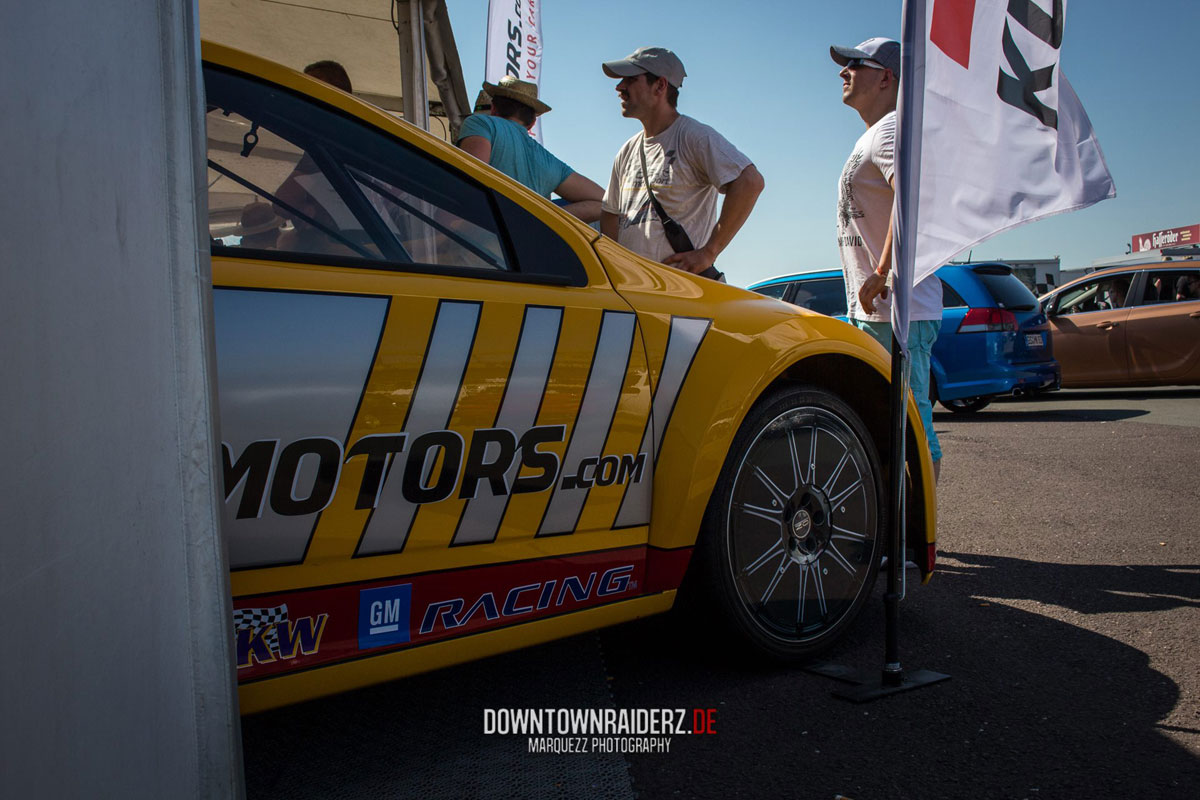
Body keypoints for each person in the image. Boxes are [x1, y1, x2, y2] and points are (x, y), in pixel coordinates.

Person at [832, 37, 944, 480]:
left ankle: (921, 542)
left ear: (886, 77)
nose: (843, 72)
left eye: (854, 64)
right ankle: (902, 539)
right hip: (878, 312)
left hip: (899, 309)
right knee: (889, 428)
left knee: (912, 430)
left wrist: (883, 272)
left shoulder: (894, 127)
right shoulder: (875, 133)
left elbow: (913, 199)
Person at [599, 46, 764, 279]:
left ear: (660, 86)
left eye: (631, 80)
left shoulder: (693, 136)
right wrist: (614, 264)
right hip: (634, 295)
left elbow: (750, 182)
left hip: (681, 295)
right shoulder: (627, 150)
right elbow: (610, 211)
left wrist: (709, 252)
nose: (619, 88)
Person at [457, 76, 603, 222]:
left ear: (493, 108)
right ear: (532, 123)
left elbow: (469, 183)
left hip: (475, 236)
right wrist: (543, 218)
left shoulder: (480, 123)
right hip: (519, 242)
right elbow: (604, 203)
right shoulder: (550, 162)